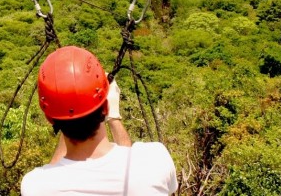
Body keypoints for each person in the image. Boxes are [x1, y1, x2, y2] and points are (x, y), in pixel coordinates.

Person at [21, 46, 178, 196]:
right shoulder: (154, 161)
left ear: (50, 119)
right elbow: (131, 170)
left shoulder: (35, 185)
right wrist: (114, 117)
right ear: (106, 106)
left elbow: (52, 173)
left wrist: (67, 109)